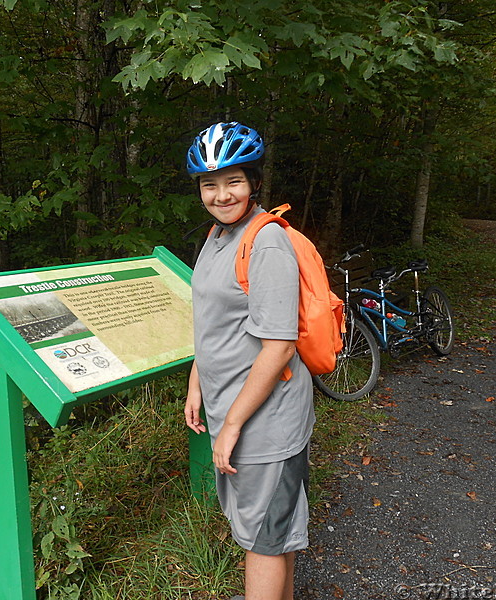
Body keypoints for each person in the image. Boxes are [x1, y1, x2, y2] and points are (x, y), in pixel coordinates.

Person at [184, 121, 315, 600]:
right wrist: (197, 380)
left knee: (264, 537)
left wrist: (234, 423)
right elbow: (212, 316)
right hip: (233, 408)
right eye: (210, 184)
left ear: (254, 182)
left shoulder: (266, 242)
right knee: (271, 529)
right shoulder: (219, 234)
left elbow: (279, 346)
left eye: (233, 181)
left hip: (266, 419)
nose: (221, 194)